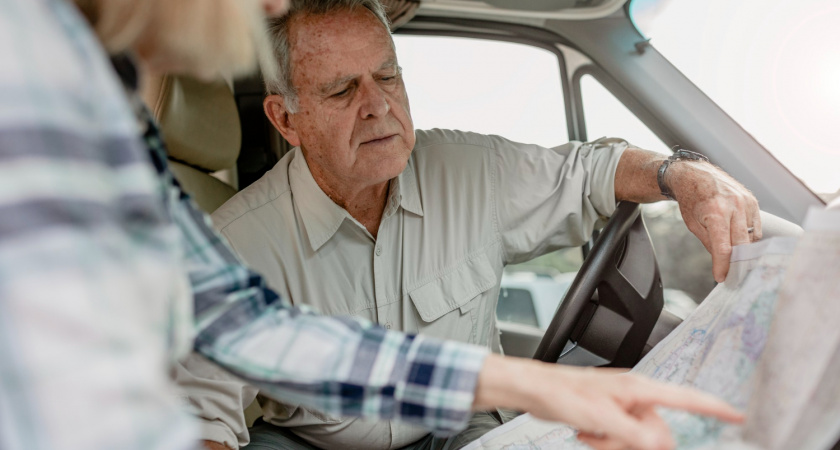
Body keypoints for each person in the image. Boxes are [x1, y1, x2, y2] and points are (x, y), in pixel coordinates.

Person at [0, 1, 741, 450]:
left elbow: (248, 326)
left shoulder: (106, 110)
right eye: (340, 89)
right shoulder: (29, 88)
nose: (270, 6)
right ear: (285, 121)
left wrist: (522, 383)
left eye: (388, 76)